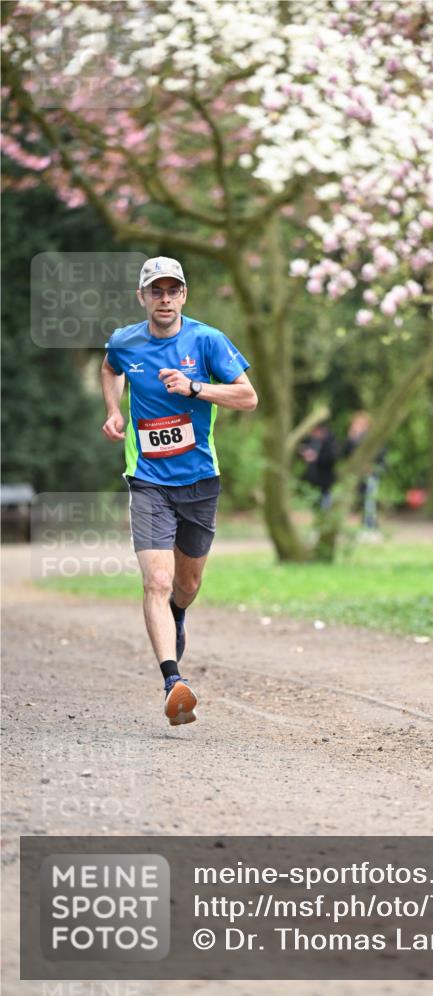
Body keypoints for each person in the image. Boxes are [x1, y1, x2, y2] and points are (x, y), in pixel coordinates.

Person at [100, 256, 257, 726]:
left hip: (200, 480)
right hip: (148, 479)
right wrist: (113, 410)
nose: (164, 299)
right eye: (156, 291)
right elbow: (110, 368)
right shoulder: (125, 341)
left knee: (186, 586)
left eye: (172, 290)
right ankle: (174, 682)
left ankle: (177, 614)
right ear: (142, 297)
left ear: (184, 295)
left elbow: (248, 397)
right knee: (158, 580)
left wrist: (194, 388)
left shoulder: (207, 340)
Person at [342, 411, 386, 535]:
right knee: (362, 499)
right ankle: (367, 523)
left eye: (359, 423)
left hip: (371, 473)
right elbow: (346, 453)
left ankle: (370, 525)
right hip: (357, 474)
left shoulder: (372, 437)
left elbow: (380, 453)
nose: (356, 425)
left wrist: (372, 466)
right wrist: (351, 438)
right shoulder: (353, 437)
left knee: (369, 500)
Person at [300, 423, 338, 510]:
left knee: (325, 499)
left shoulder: (330, 442)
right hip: (314, 477)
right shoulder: (313, 441)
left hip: (326, 477)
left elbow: (331, 458)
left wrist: (315, 457)